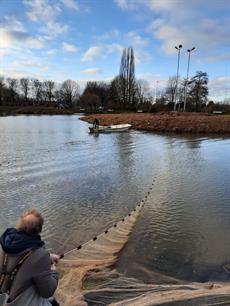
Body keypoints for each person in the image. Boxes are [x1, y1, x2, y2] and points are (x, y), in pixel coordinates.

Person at [0, 209, 59, 306]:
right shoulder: (39, 255)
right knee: (52, 302)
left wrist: (46, 255)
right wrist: (53, 271)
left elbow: (20, 255)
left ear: (19, 224)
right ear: (39, 230)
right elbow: (47, 292)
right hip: (21, 303)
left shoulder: (3, 244)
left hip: (2, 300)